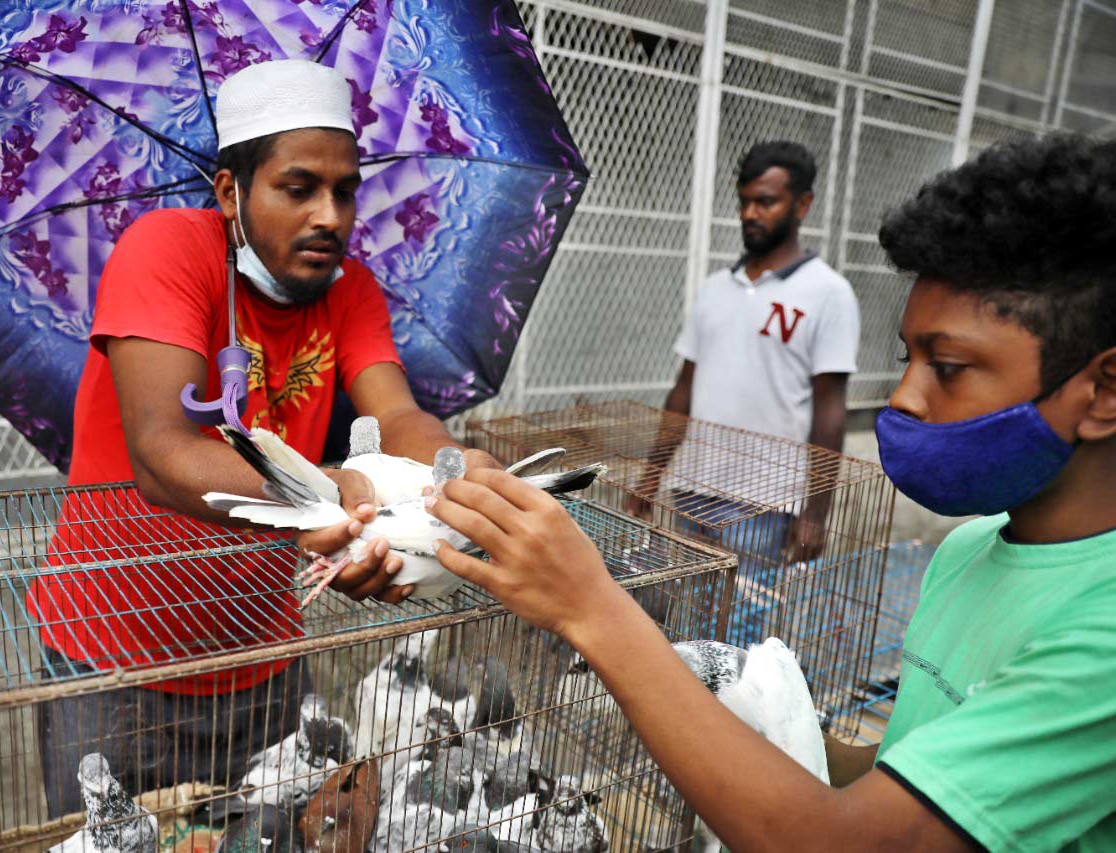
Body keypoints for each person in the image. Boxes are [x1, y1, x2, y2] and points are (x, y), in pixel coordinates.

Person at [429, 134, 1116, 851]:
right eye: (906, 358)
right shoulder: (968, 551)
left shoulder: (1103, 634)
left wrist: (593, 609)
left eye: (946, 366)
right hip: (699, 486)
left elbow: (843, 843)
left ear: (1102, 390)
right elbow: (897, 774)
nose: (904, 398)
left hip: (764, 501)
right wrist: (757, 713)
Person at [28, 60, 498, 817]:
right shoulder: (167, 252)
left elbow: (399, 413)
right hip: (115, 668)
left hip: (265, 659)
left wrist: (451, 462)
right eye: (299, 186)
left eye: (346, 190)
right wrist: (333, 494)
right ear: (229, 192)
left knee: (271, 834)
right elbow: (162, 452)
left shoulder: (351, 291)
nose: (331, 215)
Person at [641, 140, 860, 645]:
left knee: (735, 638)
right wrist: (652, 477)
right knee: (685, 631)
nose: (750, 213)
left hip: (763, 504)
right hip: (693, 490)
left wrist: (815, 511)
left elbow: (829, 408)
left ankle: (723, 722)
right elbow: (684, 389)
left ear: (802, 205)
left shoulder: (828, 294)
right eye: (745, 201)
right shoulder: (716, 287)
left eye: (767, 201)